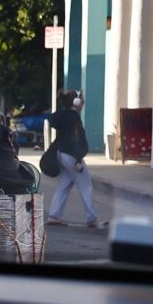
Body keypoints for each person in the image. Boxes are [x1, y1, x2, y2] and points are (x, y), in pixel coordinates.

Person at [45, 87, 99, 229]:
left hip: (61, 153)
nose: (83, 103)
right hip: (71, 156)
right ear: (75, 102)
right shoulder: (74, 117)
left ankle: (54, 216)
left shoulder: (64, 115)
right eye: (81, 101)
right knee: (86, 185)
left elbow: (52, 119)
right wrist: (79, 158)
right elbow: (76, 138)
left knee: (65, 185)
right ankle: (91, 218)